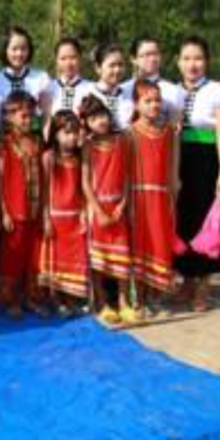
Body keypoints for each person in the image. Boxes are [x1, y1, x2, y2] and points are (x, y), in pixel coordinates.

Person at [174, 36, 220, 312]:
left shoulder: (216, 90)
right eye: (187, 58)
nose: (193, 64)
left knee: (207, 221)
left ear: (207, 61)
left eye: (198, 58)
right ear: (178, 62)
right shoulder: (171, 91)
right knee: (184, 219)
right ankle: (187, 280)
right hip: (178, 160)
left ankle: (204, 285)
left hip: (206, 160)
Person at [128, 79, 179, 319]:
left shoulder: (168, 132)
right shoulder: (129, 133)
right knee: (140, 244)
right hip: (138, 198)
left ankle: (154, 296)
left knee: (159, 243)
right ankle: (137, 297)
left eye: (157, 100)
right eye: (148, 101)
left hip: (160, 197)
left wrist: (172, 193)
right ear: (136, 105)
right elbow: (125, 171)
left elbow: (172, 167)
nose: (154, 105)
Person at [80, 95, 131, 326]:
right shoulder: (88, 145)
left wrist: (123, 204)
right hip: (97, 207)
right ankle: (102, 302)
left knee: (122, 255)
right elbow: (85, 181)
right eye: (93, 118)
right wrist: (97, 210)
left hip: (118, 207)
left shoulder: (122, 141)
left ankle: (124, 302)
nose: (100, 121)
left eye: (103, 115)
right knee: (98, 260)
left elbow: (129, 175)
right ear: (87, 123)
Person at [0, 90, 46, 318]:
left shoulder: (38, 142)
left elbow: (45, 178)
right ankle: (10, 300)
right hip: (14, 211)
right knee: (13, 257)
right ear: (9, 117)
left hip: (35, 210)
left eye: (30, 115)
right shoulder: (3, 144)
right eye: (22, 116)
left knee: (33, 256)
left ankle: (31, 297)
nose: (27, 120)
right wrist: (4, 212)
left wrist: (45, 211)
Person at [38, 110, 90, 316]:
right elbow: (43, 191)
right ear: (55, 134)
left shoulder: (80, 158)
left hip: (75, 217)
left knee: (74, 261)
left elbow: (84, 187)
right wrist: (45, 218)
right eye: (66, 133)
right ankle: (55, 299)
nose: (72, 137)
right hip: (55, 217)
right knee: (54, 261)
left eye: (75, 133)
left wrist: (85, 211)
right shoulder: (48, 157)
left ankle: (70, 299)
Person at [122, 37, 183, 125]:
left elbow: (175, 128)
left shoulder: (173, 91)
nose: (152, 59)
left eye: (155, 54)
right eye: (146, 55)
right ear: (133, 59)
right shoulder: (123, 89)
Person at [0, 26, 51, 117]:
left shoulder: (42, 78)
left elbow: (47, 113)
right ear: (5, 50)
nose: (19, 54)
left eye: (23, 49)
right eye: (14, 49)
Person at [42, 37, 93, 118]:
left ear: (80, 58)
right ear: (56, 60)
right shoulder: (48, 88)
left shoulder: (91, 89)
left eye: (73, 57)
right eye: (63, 58)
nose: (68, 63)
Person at [90, 43, 134, 131]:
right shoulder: (88, 94)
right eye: (112, 65)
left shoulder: (131, 93)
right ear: (98, 68)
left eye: (120, 65)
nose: (117, 70)